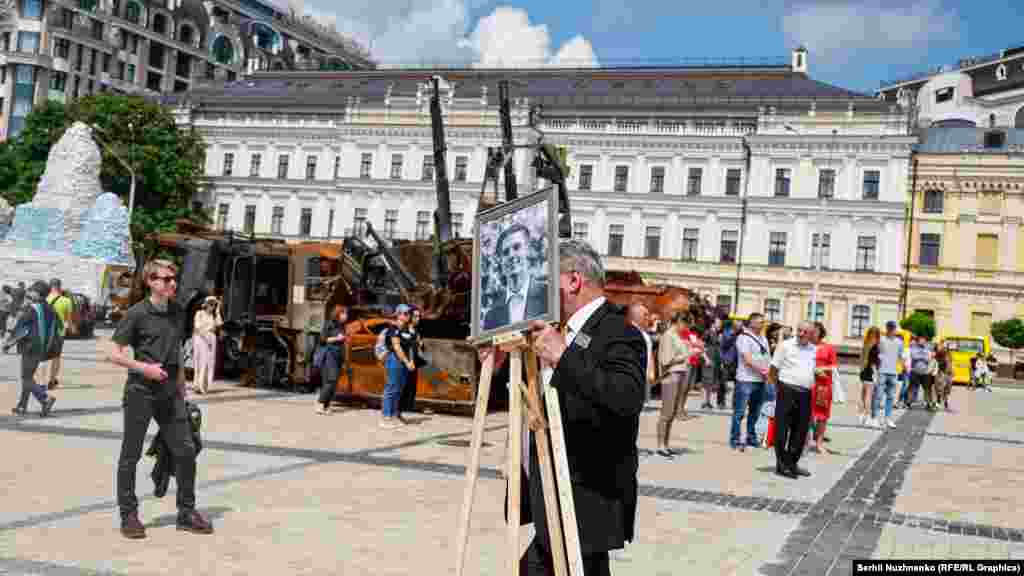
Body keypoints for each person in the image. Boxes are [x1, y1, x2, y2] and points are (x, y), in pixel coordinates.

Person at [519, 239, 646, 576]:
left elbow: (626, 397)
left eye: (548, 281)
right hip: (555, 493)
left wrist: (564, 356)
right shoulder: (558, 331)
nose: (540, 291)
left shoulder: (618, 332)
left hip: (586, 496)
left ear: (573, 280)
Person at [106, 259, 213, 539]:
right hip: (140, 392)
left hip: (170, 395)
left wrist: (183, 391)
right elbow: (113, 353)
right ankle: (129, 515)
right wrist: (145, 369)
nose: (172, 283)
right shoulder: (137, 314)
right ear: (150, 282)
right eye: (166, 279)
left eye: (173, 278)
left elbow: (177, 352)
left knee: (186, 450)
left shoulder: (178, 312)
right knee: (130, 456)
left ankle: (186, 512)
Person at [768, 321, 818, 479]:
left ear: (811, 334)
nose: (801, 334)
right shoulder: (785, 346)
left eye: (805, 332)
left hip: (805, 393)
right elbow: (773, 369)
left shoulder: (813, 349)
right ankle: (781, 465)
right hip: (787, 390)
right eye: (799, 330)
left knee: (801, 430)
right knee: (782, 428)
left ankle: (792, 463)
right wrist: (779, 388)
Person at [3, 280, 58, 417]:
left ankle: (45, 399)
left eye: (32, 290)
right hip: (42, 347)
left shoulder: (33, 308)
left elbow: (23, 329)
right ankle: (22, 405)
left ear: (38, 293)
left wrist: (8, 343)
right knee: (28, 377)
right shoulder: (50, 309)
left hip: (30, 346)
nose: (29, 292)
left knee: (26, 378)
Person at [483, 224, 548, 330]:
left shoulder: (548, 295)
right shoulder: (491, 315)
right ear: (501, 261)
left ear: (528, 250)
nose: (511, 255)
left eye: (517, 247)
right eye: (505, 252)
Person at [731, 312, 770, 451]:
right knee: (740, 412)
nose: (763, 324)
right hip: (745, 380)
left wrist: (768, 372)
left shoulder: (763, 339)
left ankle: (751, 438)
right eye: (760, 322)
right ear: (752, 322)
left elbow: (766, 358)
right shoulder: (743, 338)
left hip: (760, 380)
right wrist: (763, 371)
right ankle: (735, 439)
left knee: (755, 412)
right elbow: (747, 360)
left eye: (763, 322)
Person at [656, 312, 692, 458]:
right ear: (679, 322)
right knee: (667, 412)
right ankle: (660, 445)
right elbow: (666, 360)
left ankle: (665, 444)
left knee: (671, 413)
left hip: (679, 374)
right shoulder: (668, 336)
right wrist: (687, 354)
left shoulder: (677, 336)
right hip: (671, 375)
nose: (687, 328)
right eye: (686, 324)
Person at [381, 304, 415, 429]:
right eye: (405, 313)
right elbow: (396, 347)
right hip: (395, 360)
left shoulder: (407, 329)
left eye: (408, 314)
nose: (407, 316)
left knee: (399, 389)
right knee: (391, 388)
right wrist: (406, 361)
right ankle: (386, 416)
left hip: (405, 361)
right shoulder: (393, 328)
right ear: (398, 314)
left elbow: (410, 347)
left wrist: (411, 361)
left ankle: (394, 414)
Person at [810, 322, 837, 454]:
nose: (812, 334)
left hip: (823, 386)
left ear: (821, 333)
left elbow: (833, 367)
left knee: (822, 416)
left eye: (814, 331)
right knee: (806, 414)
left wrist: (821, 368)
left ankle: (819, 443)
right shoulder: (806, 347)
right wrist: (813, 370)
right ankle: (805, 441)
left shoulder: (828, 348)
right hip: (808, 384)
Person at [873, 321, 903, 429]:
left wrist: (901, 368)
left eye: (894, 329)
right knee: (879, 395)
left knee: (890, 396)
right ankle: (875, 418)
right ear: (889, 329)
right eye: (893, 329)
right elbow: (876, 354)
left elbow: (900, 355)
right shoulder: (881, 340)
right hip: (882, 371)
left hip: (893, 372)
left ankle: (887, 419)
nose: (894, 331)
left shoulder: (899, 342)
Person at [190, 296, 223, 395]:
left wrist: (218, 311)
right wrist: (206, 338)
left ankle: (205, 385)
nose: (212, 306)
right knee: (200, 361)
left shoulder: (213, 316)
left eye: (214, 305)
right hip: (201, 339)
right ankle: (198, 385)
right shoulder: (199, 313)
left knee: (209, 362)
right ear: (206, 304)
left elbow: (219, 323)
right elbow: (197, 327)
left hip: (211, 338)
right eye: (211, 304)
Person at [43, 279, 72, 390]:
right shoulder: (66, 301)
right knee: (56, 357)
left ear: (50, 286)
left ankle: (41, 381)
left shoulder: (44, 299)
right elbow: (68, 320)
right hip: (59, 333)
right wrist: (70, 328)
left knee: (42, 357)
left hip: (44, 331)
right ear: (60, 286)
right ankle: (52, 380)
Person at [626, 303, 655, 403]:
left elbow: (649, 353)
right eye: (645, 315)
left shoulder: (644, 334)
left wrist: (651, 370)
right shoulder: (629, 332)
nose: (648, 317)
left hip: (643, 377)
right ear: (636, 316)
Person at [399, 307, 424, 415]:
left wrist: (421, 345)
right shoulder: (404, 329)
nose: (418, 318)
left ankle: (402, 410)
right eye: (415, 316)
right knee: (402, 387)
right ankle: (396, 411)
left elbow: (418, 347)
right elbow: (405, 346)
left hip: (414, 362)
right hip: (405, 362)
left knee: (411, 387)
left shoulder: (416, 331)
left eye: (419, 316)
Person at [859, 327, 880, 426]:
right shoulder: (875, 347)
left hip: (864, 371)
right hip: (871, 372)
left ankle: (862, 414)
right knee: (869, 396)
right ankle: (867, 417)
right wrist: (876, 375)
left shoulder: (866, 344)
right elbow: (874, 363)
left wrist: (862, 370)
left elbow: (862, 360)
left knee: (863, 394)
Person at [701, 316, 722, 410]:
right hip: (709, 359)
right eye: (718, 323)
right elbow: (702, 346)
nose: (720, 324)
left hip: (715, 360)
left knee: (710, 382)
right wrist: (706, 358)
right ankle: (704, 402)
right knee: (706, 381)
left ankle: (708, 401)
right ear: (713, 323)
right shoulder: (707, 332)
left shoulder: (717, 334)